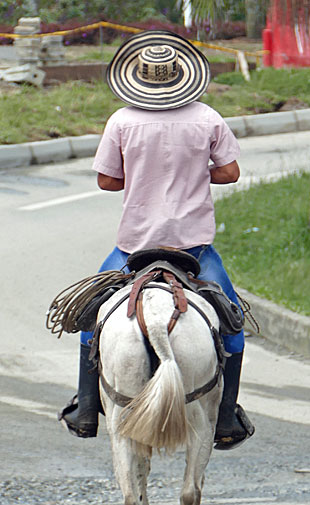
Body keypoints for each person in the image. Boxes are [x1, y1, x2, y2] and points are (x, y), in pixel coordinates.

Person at [60, 30, 254, 450]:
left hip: (134, 250)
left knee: (90, 318)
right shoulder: (207, 118)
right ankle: (226, 419)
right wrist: (193, 170)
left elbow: (107, 181)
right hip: (194, 251)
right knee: (233, 322)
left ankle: (86, 408)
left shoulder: (122, 121)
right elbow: (230, 173)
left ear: (138, 78)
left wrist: (144, 173)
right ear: (182, 76)